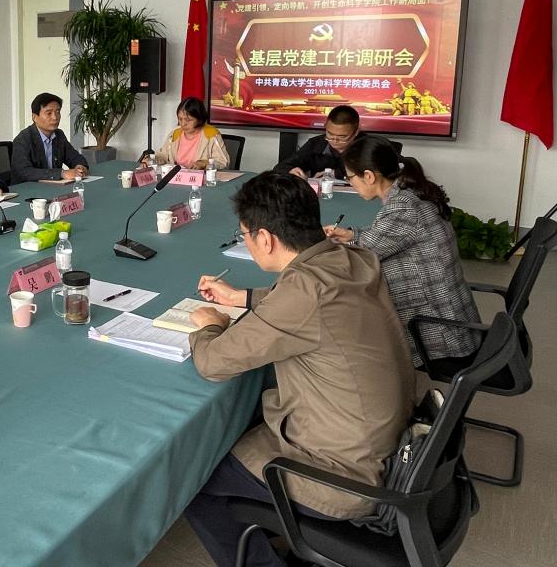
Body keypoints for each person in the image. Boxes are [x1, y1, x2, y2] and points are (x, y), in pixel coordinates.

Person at [184, 172, 415, 567]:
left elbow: (213, 362)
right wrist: (243, 297)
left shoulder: (304, 293)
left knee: (191, 478)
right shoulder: (351, 257)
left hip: (341, 472)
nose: (247, 242)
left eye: (245, 235)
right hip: (384, 441)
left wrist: (210, 325)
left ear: (265, 238)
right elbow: (306, 300)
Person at [324, 135, 479, 367]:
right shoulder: (408, 193)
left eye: (350, 177)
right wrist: (350, 235)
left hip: (440, 335)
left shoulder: (403, 207)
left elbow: (362, 256)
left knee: (342, 327)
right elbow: (381, 238)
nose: (350, 182)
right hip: (449, 318)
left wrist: (319, 246)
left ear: (369, 176)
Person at [11, 92, 89, 184]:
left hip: (52, 187)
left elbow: (75, 157)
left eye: (58, 112)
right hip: (27, 189)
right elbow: (23, 172)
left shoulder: (59, 135)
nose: (55, 117)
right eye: (49, 113)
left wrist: (80, 167)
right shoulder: (23, 139)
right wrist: (61, 173)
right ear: (34, 117)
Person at [273, 104, 363, 179]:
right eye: (330, 134)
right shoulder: (316, 144)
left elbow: (368, 172)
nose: (334, 140)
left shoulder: (367, 145)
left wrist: (335, 174)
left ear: (356, 132)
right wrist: (290, 171)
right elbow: (280, 167)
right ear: (325, 127)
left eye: (342, 136)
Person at [140, 96, 229, 170]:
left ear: (199, 119)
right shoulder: (174, 134)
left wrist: (204, 163)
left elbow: (223, 162)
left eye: (188, 120)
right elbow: (163, 156)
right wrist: (151, 159)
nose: (183, 124)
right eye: (180, 119)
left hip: (202, 181)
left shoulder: (211, 134)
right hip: (177, 179)